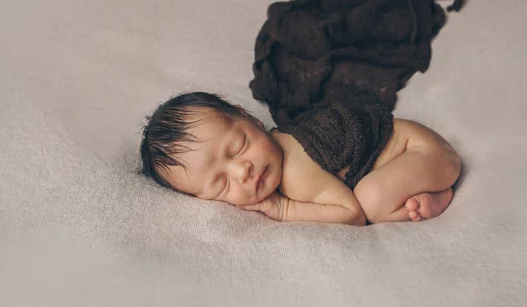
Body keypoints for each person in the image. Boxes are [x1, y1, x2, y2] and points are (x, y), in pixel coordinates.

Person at [140, 92, 461, 226]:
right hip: (417, 150)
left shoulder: (295, 169)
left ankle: (437, 194)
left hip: (420, 151)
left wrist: (283, 209)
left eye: (238, 146)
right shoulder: (274, 149)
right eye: (221, 184)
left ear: (249, 117)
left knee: (370, 200)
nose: (242, 171)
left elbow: (351, 214)